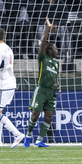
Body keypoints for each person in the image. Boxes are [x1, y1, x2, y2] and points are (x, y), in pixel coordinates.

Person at [24, 17, 60, 148]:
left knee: (49, 117)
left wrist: (58, 85)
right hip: (41, 90)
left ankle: (39, 140)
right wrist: (48, 29)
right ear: (49, 51)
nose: (57, 51)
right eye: (55, 49)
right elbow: (43, 45)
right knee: (35, 115)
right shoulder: (42, 58)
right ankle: (28, 136)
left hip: (51, 92)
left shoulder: (56, 63)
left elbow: (56, 76)